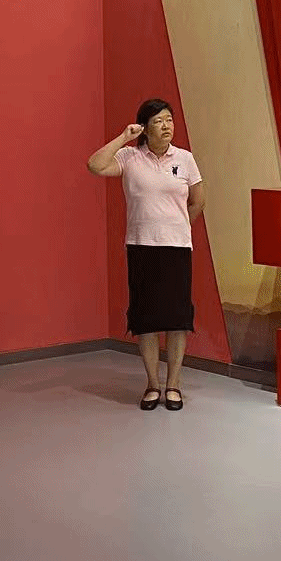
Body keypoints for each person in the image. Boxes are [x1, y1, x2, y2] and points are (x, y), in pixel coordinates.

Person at [86, 99, 206, 411]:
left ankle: (173, 385)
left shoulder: (184, 159)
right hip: (141, 246)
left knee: (177, 319)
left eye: (169, 120)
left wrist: (179, 226)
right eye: (158, 121)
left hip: (177, 248)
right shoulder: (129, 157)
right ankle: (153, 384)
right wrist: (124, 137)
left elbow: (197, 200)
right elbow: (95, 165)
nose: (166, 126)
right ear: (144, 127)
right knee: (147, 319)